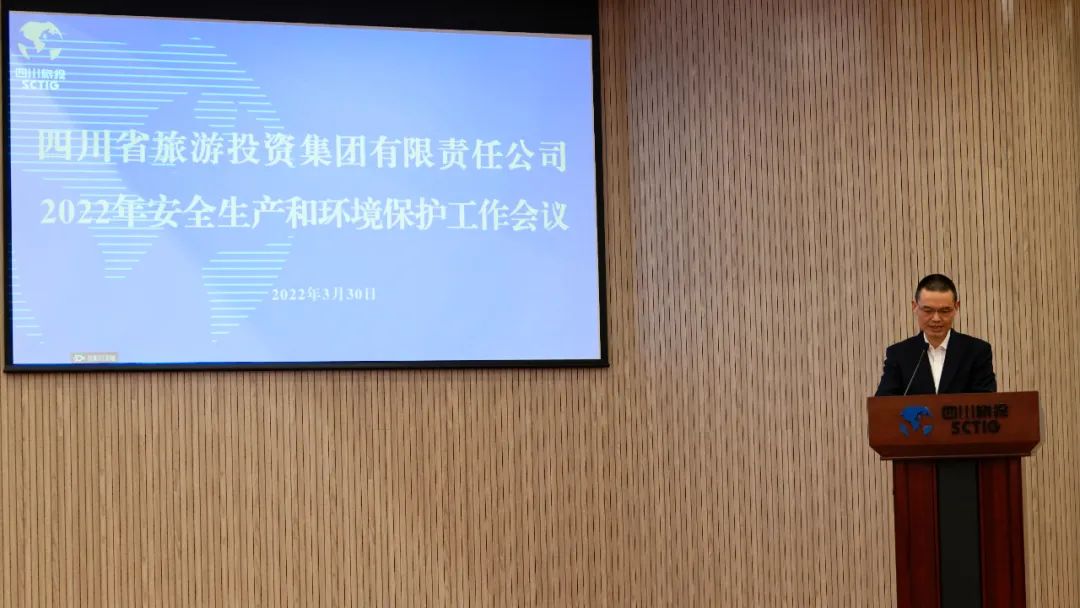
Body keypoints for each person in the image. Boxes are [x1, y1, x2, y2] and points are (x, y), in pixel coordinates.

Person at [875, 274, 996, 396]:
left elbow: (986, 402)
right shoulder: (899, 354)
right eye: (928, 311)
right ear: (915, 307)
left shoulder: (977, 351)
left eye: (944, 311)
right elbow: (883, 403)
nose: (936, 318)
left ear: (956, 307)